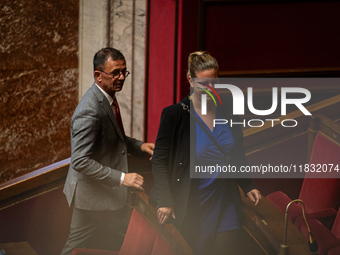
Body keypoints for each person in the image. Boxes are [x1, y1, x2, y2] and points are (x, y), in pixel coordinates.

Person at [149, 51, 261, 255]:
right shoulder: (174, 114)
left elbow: (236, 151)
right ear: (190, 81)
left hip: (223, 199)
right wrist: (165, 199)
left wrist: (247, 184)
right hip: (191, 202)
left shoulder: (227, 109)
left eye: (215, 82)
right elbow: (159, 161)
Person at [61, 47, 154, 255]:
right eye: (115, 73)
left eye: (124, 72)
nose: (121, 77)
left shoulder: (107, 96)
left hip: (97, 195)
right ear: (98, 75)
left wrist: (139, 146)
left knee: (78, 245)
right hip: (94, 196)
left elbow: (113, 139)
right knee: (137, 242)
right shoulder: (89, 110)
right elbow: (81, 161)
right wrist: (123, 178)